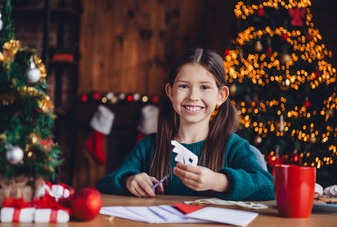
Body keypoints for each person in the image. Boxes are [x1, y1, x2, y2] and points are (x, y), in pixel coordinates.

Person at [96, 48, 274, 200]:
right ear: (170, 92)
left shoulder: (234, 147)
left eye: (204, 87)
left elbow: (268, 188)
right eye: (183, 86)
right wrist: (128, 181)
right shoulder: (148, 147)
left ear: (221, 96)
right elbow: (103, 186)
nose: (193, 97)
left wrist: (219, 181)